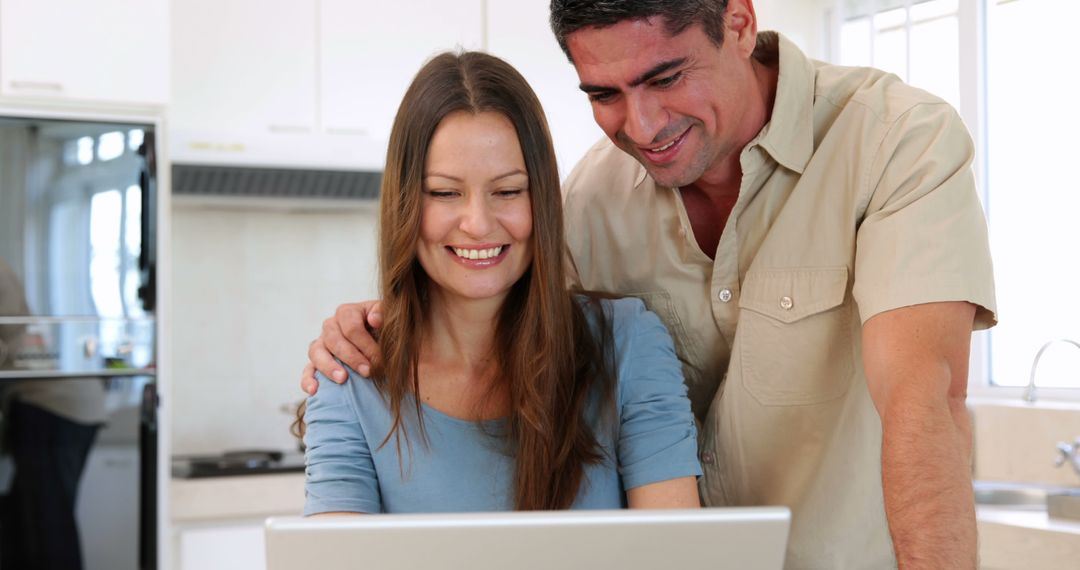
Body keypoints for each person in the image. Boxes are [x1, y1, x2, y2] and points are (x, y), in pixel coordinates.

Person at [303, 1, 997, 567]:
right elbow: (498, 287)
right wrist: (378, 325)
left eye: (665, 78)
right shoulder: (590, 203)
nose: (641, 125)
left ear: (739, 22)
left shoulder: (893, 141)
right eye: (605, 94)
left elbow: (923, 402)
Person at [299, 51, 702, 516]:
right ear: (406, 202)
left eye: (508, 191)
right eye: (445, 193)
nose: (477, 223)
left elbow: (674, 554)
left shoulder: (629, 346)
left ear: (542, 199)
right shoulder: (349, 378)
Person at [0, 257, 106, 570]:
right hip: (70, 401)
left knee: (48, 530)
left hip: (50, 404)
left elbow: (8, 338)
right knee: (25, 524)